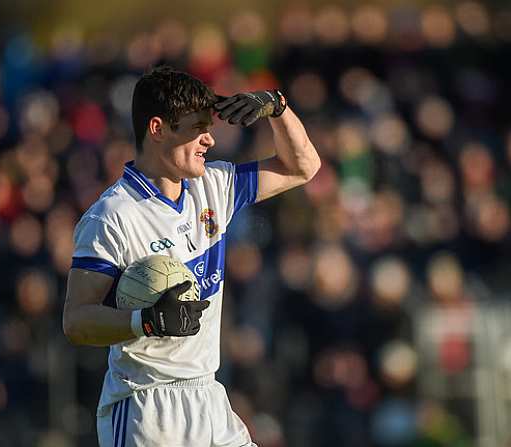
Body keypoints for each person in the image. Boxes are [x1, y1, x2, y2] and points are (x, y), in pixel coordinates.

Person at [62, 66, 320, 447]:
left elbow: (303, 167)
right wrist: (144, 322)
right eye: (198, 128)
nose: (209, 141)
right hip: (146, 408)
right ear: (157, 129)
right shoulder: (112, 216)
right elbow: (77, 321)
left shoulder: (213, 185)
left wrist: (277, 108)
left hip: (209, 397)